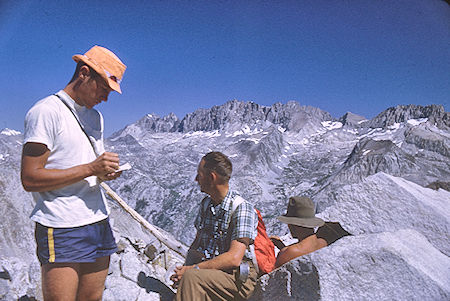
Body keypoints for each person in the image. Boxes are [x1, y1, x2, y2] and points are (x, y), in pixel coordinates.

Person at [21, 45, 126, 300]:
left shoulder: (96, 118)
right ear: (84, 73)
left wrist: (103, 173)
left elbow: (85, 167)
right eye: (103, 89)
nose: (105, 98)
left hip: (97, 219)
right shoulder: (46, 112)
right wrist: (91, 168)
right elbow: (30, 178)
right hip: (62, 225)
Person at [171, 152, 258, 301]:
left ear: (211, 177)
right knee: (190, 278)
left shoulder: (241, 208)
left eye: (199, 175)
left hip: (237, 278)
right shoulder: (206, 204)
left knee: (192, 278)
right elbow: (197, 244)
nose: (196, 179)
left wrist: (191, 270)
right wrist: (184, 269)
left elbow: (234, 259)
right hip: (210, 273)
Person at [271, 196, 351, 268]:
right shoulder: (323, 242)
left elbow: (271, 276)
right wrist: (282, 246)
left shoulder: (289, 252)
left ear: (293, 225)